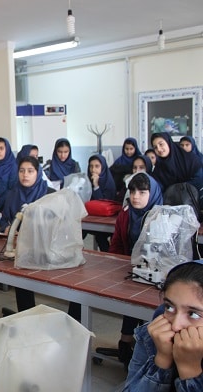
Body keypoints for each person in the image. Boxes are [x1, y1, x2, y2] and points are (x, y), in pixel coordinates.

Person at [107, 173, 163, 371]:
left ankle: (143, 352)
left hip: (153, 274)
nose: (135, 196)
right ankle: (126, 344)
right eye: (132, 192)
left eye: (142, 192)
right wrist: (112, 266)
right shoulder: (126, 214)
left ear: (152, 193)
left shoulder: (162, 216)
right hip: (128, 270)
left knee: (146, 306)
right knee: (129, 299)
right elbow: (116, 243)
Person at [123, 260, 203, 391]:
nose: (175, 326)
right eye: (169, 307)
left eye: (193, 314)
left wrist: (190, 372)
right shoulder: (154, 335)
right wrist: (162, 359)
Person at [0, 156, 56, 312]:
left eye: (30, 171)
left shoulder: (49, 194)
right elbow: (4, 219)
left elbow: (55, 224)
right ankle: (26, 312)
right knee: (20, 276)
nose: (25, 175)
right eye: (22, 171)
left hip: (44, 249)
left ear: (38, 173)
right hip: (16, 248)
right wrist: (7, 228)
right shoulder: (13, 193)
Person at [84, 154, 117, 251]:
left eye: (97, 166)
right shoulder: (86, 181)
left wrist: (96, 185)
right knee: (78, 230)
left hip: (105, 219)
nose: (93, 170)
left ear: (103, 167)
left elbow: (103, 203)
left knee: (100, 236)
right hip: (90, 217)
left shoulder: (109, 183)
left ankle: (107, 257)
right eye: (91, 166)